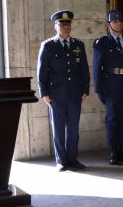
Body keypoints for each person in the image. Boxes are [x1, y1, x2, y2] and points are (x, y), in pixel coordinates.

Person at [37, 10, 90, 172]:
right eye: (62, 24)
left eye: (68, 24)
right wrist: (44, 93)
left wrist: (85, 90)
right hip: (56, 95)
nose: (65, 27)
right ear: (56, 26)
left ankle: (72, 159)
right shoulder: (48, 46)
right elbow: (41, 72)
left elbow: (84, 69)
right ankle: (61, 160)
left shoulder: (78, 45)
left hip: (75, 93)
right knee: (58, 129)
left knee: (73, 129)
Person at [93, 10, 123, 165]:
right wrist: (99, 89)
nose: (119, 23)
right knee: (113, 119)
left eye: (120, 21)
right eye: (115, 21)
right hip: (111, 86)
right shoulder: (102, 43)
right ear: (109, 24)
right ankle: (114, 152)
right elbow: (97, 68)